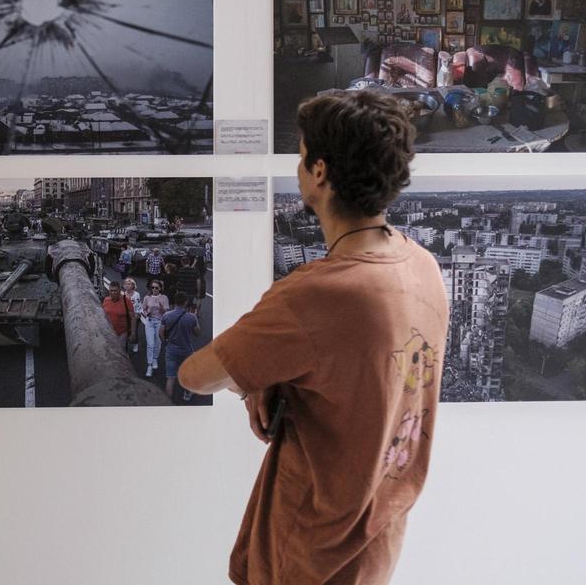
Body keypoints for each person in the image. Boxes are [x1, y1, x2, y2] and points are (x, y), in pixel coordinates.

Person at [178, 90, 448, 585]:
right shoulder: (422, 264)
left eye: (301, 157)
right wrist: (267, 377)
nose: (299, 168)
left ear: (320, 172)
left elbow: (194, 376)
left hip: (310, 551)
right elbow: (355, 374)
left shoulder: (317, 293)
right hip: (375, 541)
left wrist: (254, 376)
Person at [160, 291, 200, 402]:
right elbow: (198, 333)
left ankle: (168, 402)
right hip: (186, 350)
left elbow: (161, 333)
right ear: (186, 302)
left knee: (171, 377)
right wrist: (195, 317)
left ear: (175, 302)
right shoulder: (191, 317)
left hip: (171, 349)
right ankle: (187, 394)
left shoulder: (166, 315)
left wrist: (166, 343)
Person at [140, 279, 169, 377]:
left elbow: (166, 312)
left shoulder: (164, 298)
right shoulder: (147, 298)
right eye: (152, 287)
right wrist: (146, 313)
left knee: (158, 342)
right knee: (150, 344)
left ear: (160, 288)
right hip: (149, 322)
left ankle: (155, 358)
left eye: (156, 287)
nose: (154, 289)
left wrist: (161, 308)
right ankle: (149, 365)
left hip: (160, 322)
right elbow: (143, 309)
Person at [101, 280, 135, 351]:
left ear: (120, 290)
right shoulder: (106, 300)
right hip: (108, 332)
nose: (113, 293)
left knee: (120, 352)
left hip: (121, 333)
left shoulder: (127, 301)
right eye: (111, 290)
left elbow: (132, 318)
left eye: (115, 291)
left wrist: (133, 333)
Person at [122, 277, 143, 355]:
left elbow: (138, 305)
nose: (127, 285)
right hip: (126, 315)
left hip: (134, 315)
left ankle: (135, 343)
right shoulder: (123, 294)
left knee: (134, 330)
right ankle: (125, 347)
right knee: (125, 331)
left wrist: (138, 314)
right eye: (126, 284)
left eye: (129, 284)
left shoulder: (136, 294)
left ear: (133, 285)